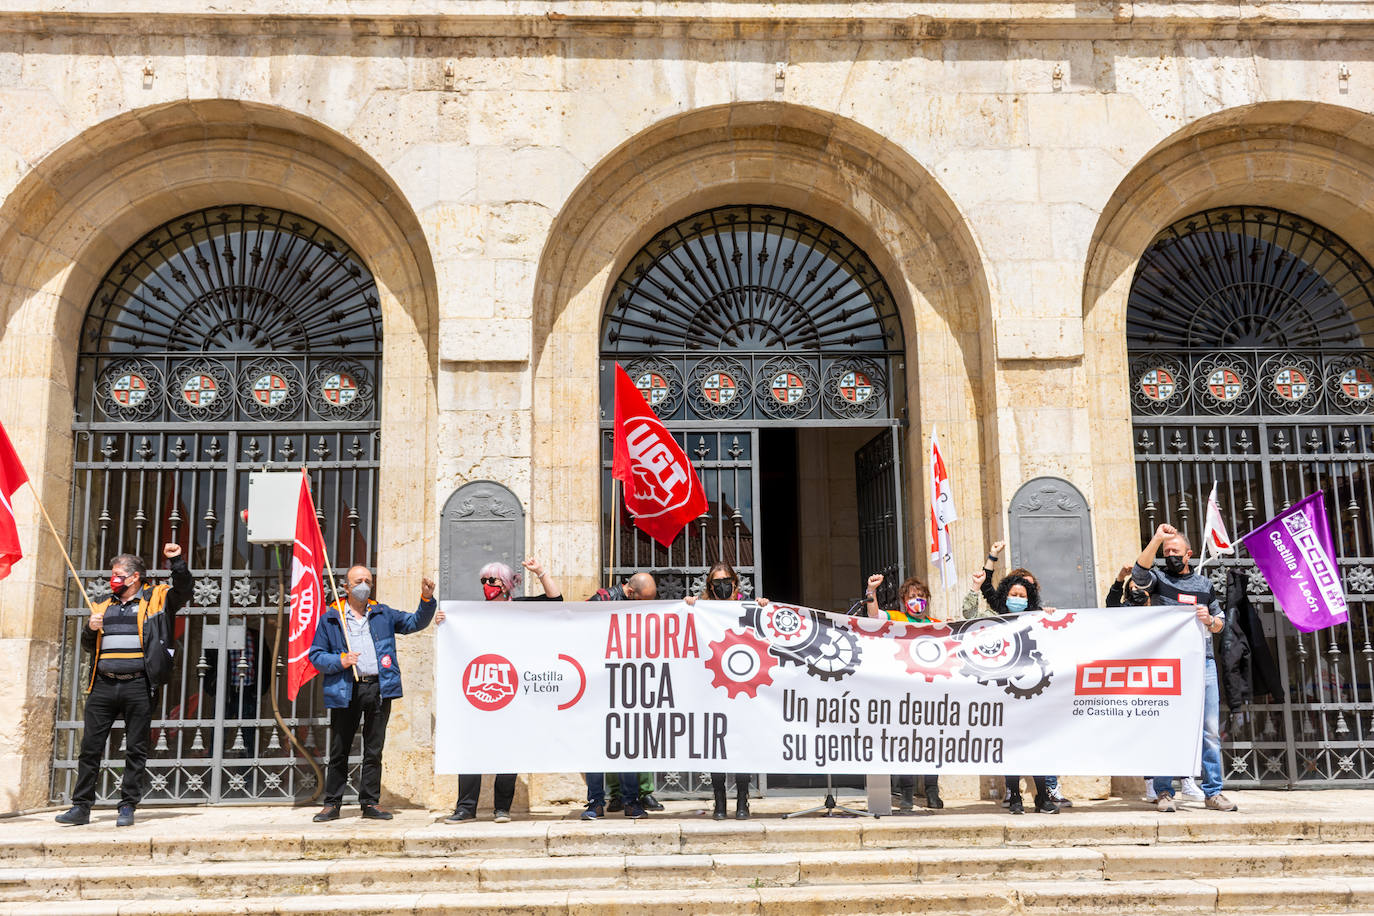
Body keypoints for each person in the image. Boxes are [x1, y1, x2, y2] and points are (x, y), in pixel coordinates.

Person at [57, 543, 192, 827]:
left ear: (134, 577)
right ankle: (81, 807)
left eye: (118, 574)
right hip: (104, 685)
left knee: (136, 748)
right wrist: (89, 629)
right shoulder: (104, 605)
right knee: (90, 748)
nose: (113, 579)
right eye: (112, 574)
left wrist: (176, 561)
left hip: (138, 685)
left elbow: (184, 589)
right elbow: (88, 646)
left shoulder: (157, 598)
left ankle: (127, 805)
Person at [309, 565, 437, 822]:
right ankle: (332, 803)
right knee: (340, 748)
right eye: (358, 580)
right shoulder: (331, 618)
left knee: (374, 748)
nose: (364, 584)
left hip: (378, 687)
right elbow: (316, 655)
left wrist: (426, 600)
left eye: (368, 580)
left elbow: (414, 623)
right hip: (347, 687)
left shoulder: (382, 613)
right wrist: (341, 660)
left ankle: (370, 802)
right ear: (346, 586)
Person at [445, 558, 561, 824]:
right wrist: (444, 620)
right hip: (482, 690)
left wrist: (540, 572)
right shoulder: (471, 614)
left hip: (514, 691)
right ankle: (465, 808)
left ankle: (502, 808)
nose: (486, 585)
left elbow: (556, 601)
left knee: (509, 748)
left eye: (492, 580)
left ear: (506, 585)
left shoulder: (522, 608)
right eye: (483, 581)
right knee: (471, 749)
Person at [1135, 523, 1237, 813]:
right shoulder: (1157, 579)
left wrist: (1208, 620)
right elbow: (1138, 574)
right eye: (1167, 552)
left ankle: (1213, 792)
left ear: (1189, 554)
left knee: (1209, 731)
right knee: (1166, 726)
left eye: (1175, 551)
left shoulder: (1204, 585)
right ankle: (1165, 791)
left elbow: (1220, 625)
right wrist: (1157, 538)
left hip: (1202, 664)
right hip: (1168, 665)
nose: (1170, 555)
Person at [962, 567, 1058, 815]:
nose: (1018, 599)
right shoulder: (993, 617)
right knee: (1012, 745)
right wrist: (975, 587)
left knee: (1037, 744)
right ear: (1005, 595)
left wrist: (1050, 616)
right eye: (1014, 594)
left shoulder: (1037, 618)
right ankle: (1014, 795)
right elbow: (968, 615)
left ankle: (1042, 797)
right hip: (1005, 691)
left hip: (1033, 691)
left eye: (1023, 596)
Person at [685, 562, 769, 819]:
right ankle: (719, 800)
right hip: (713, 687)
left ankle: (742, 800)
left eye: (726, 581)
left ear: (735, 583)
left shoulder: (749, 607)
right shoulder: (702, 610)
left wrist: (765, 608)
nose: (722, 586)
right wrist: (687, 606)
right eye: (716, 582)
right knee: (716, 745)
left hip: (743, 687)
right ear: (710, 586)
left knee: (742, 744)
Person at [581, 571, 658, 820]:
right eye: (643, 600)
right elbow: (579, 628)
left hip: (627, 684)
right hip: (600, 685)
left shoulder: (641, 605)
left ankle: (631, 801)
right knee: (594, 745)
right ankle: (595, 802)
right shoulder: (602, 600)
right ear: (630, 592)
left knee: (628, 746)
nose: (647, 606)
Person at [863, 571, 943, 810]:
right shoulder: (897, 617)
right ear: (903, 601)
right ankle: (906, 792)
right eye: (911, 596)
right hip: (904, 692)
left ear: (927, 599)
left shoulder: (936, 624)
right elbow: (874, 615)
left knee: (931, 744)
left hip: (930, 693)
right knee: (906, 742)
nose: (916, 600)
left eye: (920, 596)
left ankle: (932, 792)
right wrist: (871, 591)